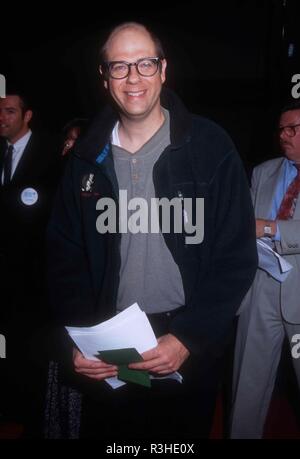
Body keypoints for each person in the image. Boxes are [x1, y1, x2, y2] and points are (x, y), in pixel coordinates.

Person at [46, 22, 257, 439]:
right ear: (104, 78)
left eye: (145, 63)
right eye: (120, 66)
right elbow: (63, 257)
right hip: (112, 346)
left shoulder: (210, 145)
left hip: (187, 341)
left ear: (163, 70)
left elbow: (236, 256)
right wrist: (79, 337)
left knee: (177, 443)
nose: (134, 78)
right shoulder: (85, 159)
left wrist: (187, 338)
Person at [230, 99, 300, 439]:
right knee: (247, 388)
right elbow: (242, 225)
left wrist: (269, 228)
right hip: (260, 288)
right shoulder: (263, 171)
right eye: (281, 129)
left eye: (293, 129)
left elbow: (261, 226)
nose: (283, 135)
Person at [0, 93, 60, 432]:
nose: (2, 118)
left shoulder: (52, 153)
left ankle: (30, 414)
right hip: (3, 274)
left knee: (30, 351)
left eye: (10, 111)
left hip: (35, 278)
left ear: (27, 115)